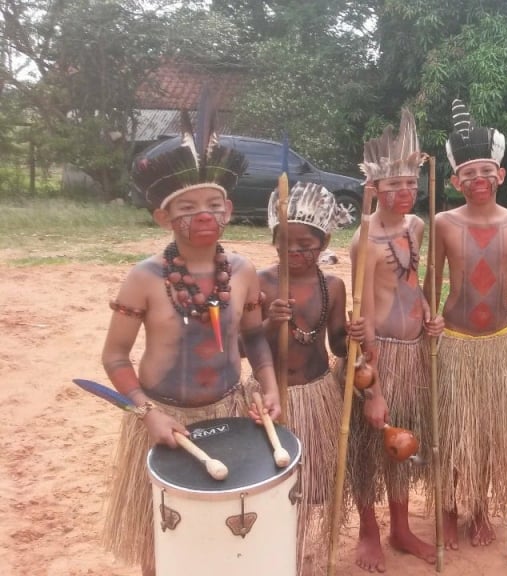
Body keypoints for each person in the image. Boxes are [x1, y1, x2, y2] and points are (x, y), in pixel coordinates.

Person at [100, 106, 281, 576]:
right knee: (161, 536)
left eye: (214, 205)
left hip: (228, 411)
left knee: (221, 533)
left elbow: (255, 336)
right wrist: (147, 412)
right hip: (165, 417)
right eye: (187, 207)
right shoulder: (144, 278)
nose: (205, 215)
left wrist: (268, 384)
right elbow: (115, 356)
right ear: (163, 216)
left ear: (228, 210)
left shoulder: (242, 272)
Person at [427, 98, 507, 549]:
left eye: (486, 171)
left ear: (502, 175)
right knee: (454, 430)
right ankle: (450, 505)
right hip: (455, 341)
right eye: (468, 173)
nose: (478, 179)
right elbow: (430, 284)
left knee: (490, 434)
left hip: (497, 342)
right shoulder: (443, 222)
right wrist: (430, 319)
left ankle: (479, 508)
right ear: (455, 181)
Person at [345, 108, 444, 572]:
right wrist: (373, 383)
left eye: (411, 185)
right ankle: (369, 531)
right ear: (375, 190)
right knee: (369, 445)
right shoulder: (362, 239)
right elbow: (362, 312)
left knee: (405, 443)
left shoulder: (418, 227)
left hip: (414, 351)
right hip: (379, 352)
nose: (406, 193)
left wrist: (430, 313)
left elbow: (416, 281)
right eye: (394, 187)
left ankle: (401, 529)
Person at [257, 180, 352, 574]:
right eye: (285, 244)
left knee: (307, 486)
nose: (294, 253)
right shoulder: (261, 282)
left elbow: (338, 345)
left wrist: (355, 337)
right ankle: (270, 552)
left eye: (305, 245)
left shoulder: (332, 287)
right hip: (270, 398)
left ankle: (295, 550)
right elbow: (248, 342)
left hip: (316, 394)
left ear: (325, 241)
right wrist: (267, 322)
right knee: (269, 484)